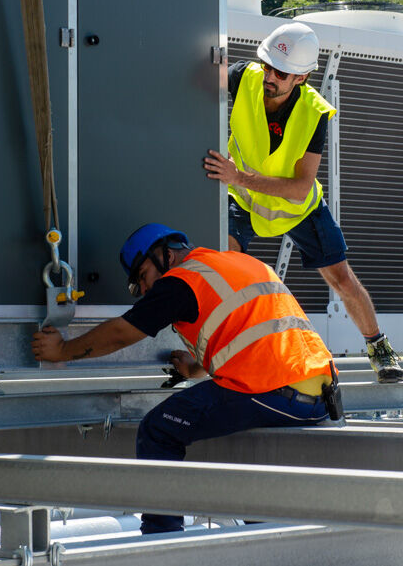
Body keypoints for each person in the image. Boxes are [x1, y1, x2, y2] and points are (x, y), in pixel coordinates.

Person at [31, 223, 341, 534]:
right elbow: (254, 335)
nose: (146, 289)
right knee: (231, 444)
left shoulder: (181, 281)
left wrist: (61, 351)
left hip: (272, 391)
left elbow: (120, 334)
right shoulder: (240, 262)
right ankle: (264, 531)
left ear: (164, 254)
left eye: (143, 276)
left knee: (158, 430)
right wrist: (195, 369)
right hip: (320, 397)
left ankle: (161, 539)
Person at [203, 21, 403, 383]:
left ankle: (379, 347)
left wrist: (239, 177)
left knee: (342, 279)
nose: (270, 76)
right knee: (228, 266)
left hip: (297, 207)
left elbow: (299, 188)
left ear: (302, 77)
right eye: (267, 65)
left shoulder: (314, 113)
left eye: (280, 73)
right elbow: (194, 86)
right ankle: (228, 351)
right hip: (244, 200)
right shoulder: (243, 77)